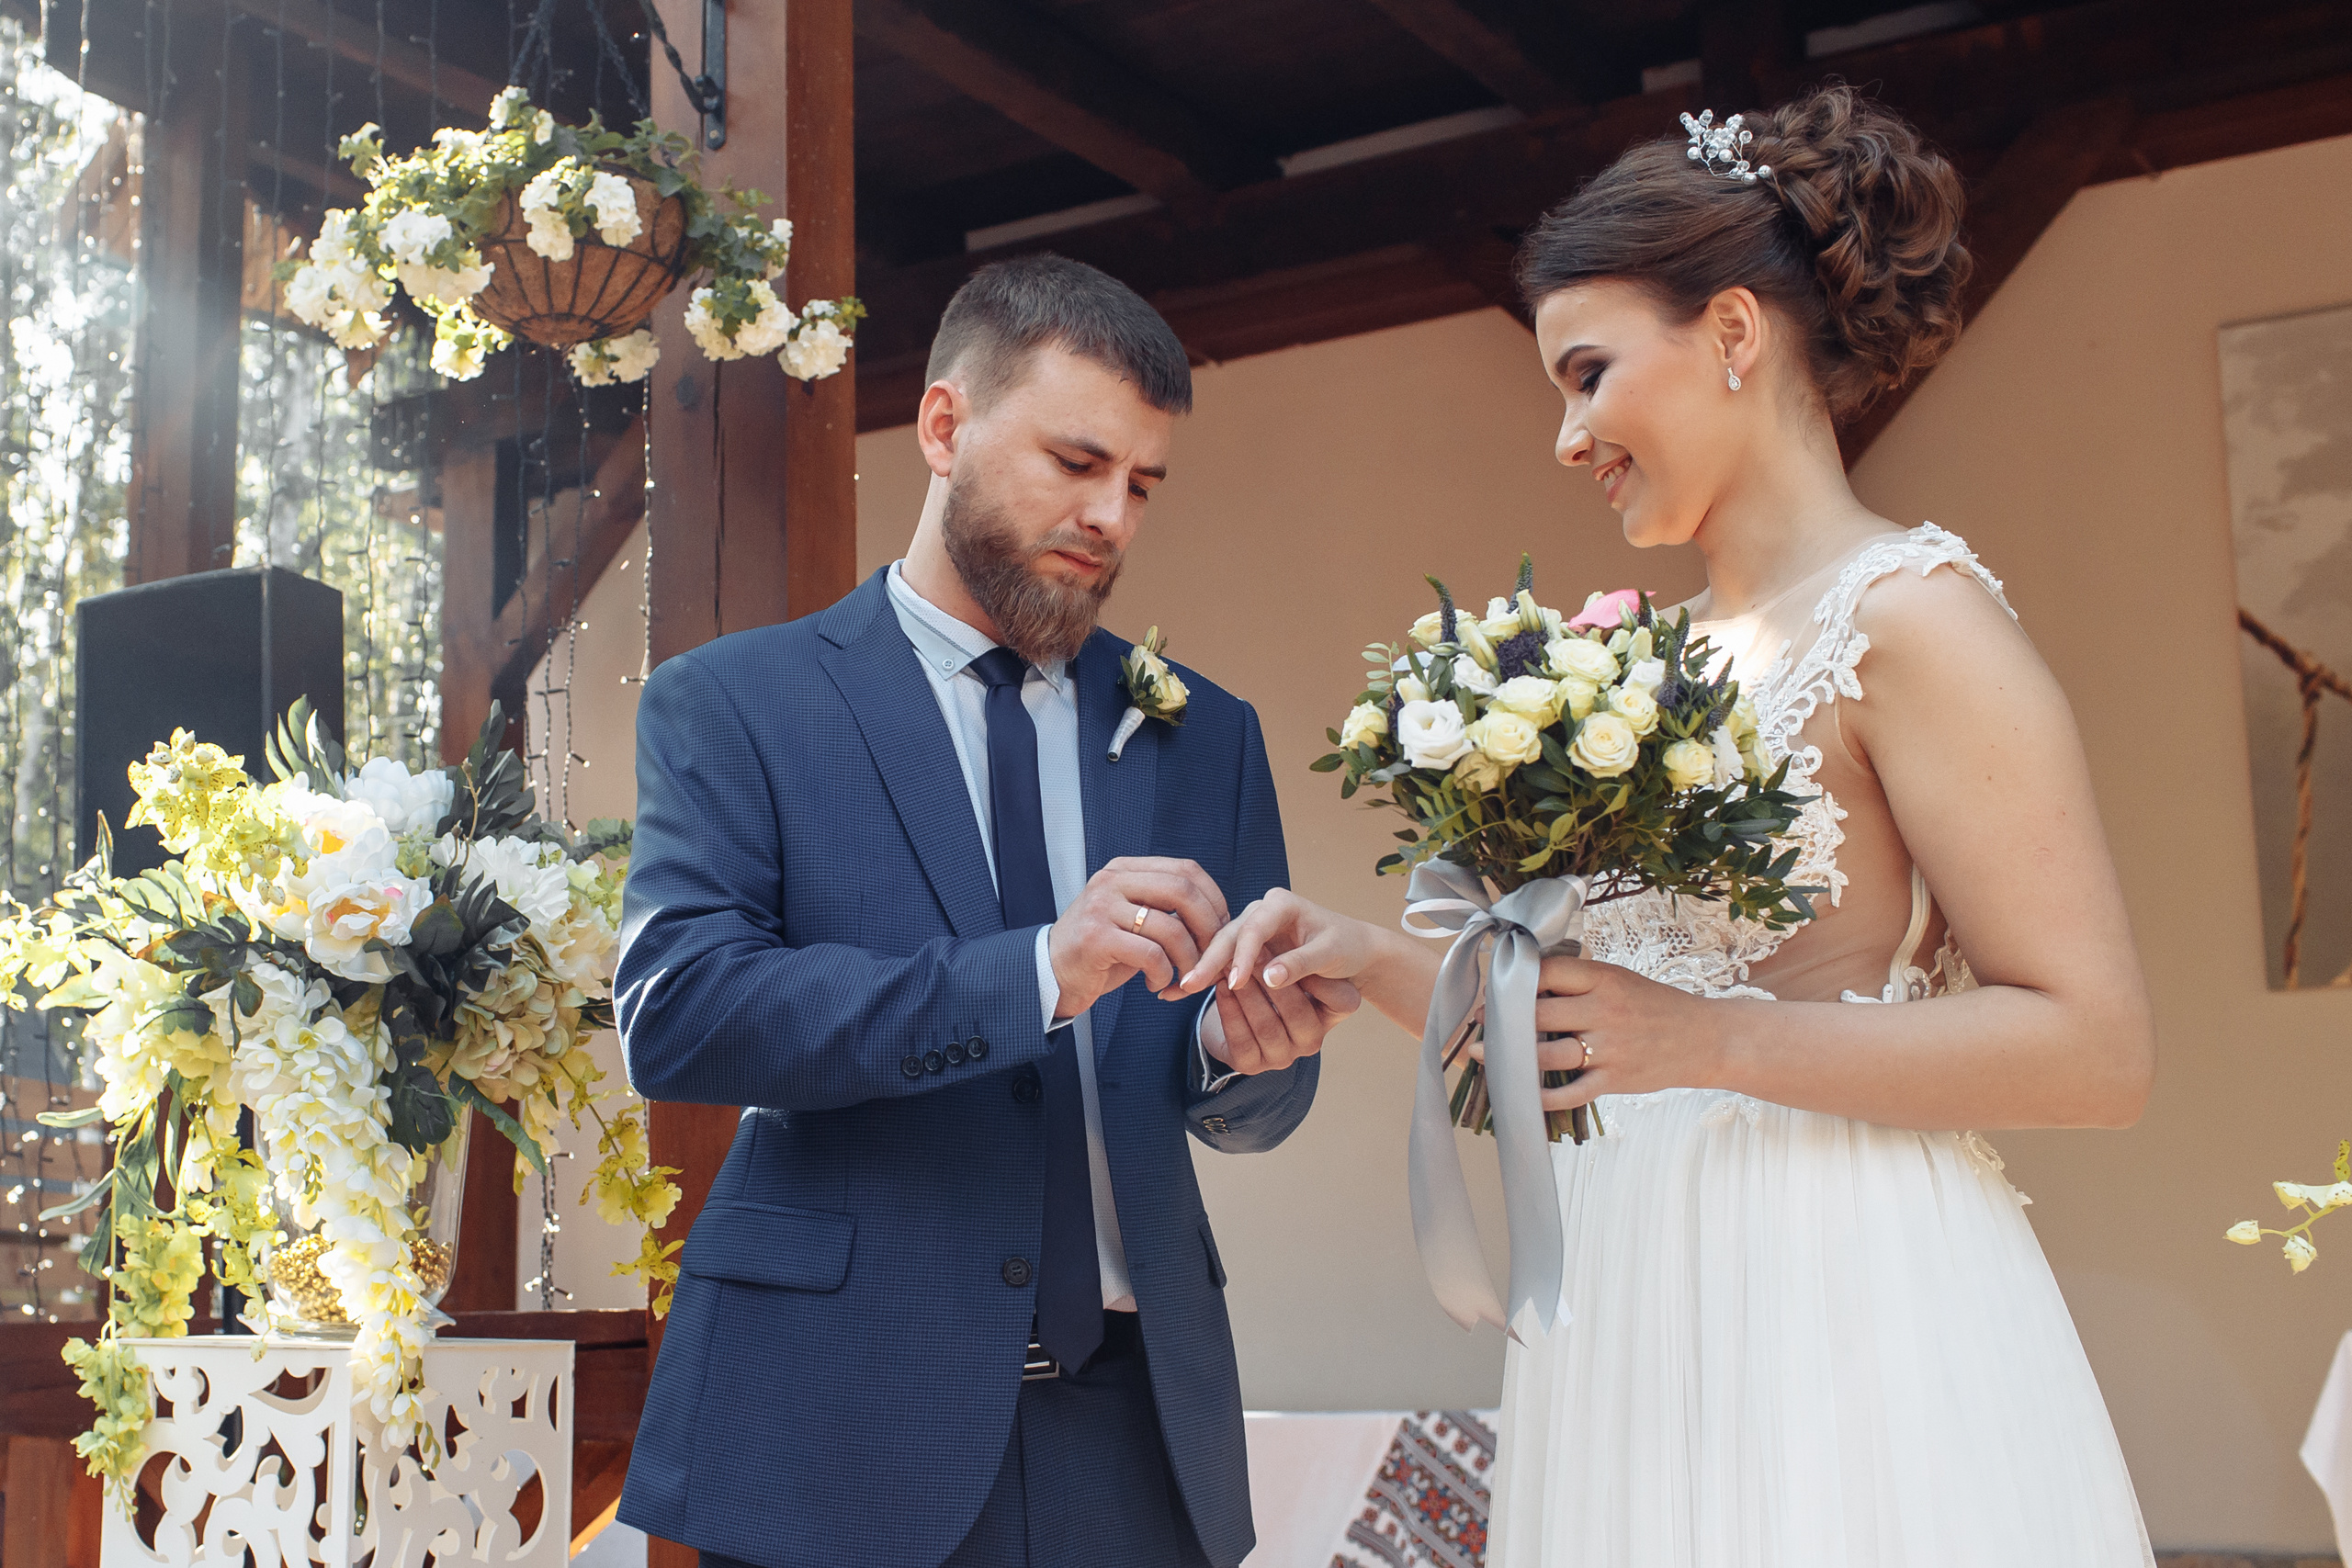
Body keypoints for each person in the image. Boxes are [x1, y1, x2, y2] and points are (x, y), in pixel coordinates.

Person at [1182, 86, 2159, 1565]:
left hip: (1838, 1306)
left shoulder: (1914, 620)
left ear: (1734, 333)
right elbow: (1607, 1021)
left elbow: (2095, 1051)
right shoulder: (1647, 663)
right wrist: (1369, 957)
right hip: (1627, 1295)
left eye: (1588, 374)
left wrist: (1703, 1043)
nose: (1567, 436)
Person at [612, 254, 1355, 1568]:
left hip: (1134, 1435)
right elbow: (682, 1017)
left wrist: (1248, 1056)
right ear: (944, 426)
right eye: (1077, 463)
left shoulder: (1207, 733)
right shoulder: (737, 703)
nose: (1111, 516)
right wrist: (1034, 975)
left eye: (1142, 484)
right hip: (833, 1417)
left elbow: (1247, 1105)